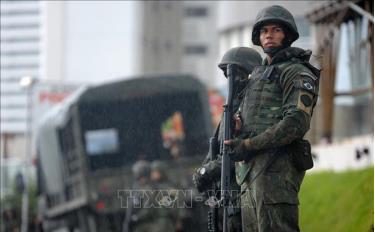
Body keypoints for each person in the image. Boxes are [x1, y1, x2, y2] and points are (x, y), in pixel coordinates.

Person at [224, 5, 320, 232]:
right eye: (264, 30)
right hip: (249, 176)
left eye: (276, 29)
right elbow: (254, 116)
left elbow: (295, 123)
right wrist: (238, 126)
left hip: (277, 174)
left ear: (287, 34)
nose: (269, 34)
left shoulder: (296, 72)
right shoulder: (257, 75)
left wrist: (247, 145)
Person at [192, 47, 262, 232]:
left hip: (242, 193)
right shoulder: (231, 106)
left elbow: (242, 150)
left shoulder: (253, 105)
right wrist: (204, 171)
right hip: (225, 197)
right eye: (229, 74)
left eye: (237, 73)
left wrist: (209, 170)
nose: (232, 80)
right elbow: (217, 149)